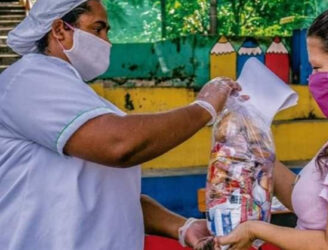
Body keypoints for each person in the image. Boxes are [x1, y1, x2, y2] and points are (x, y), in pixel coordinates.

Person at [0, 0, 243, 249]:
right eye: (97, 29)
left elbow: (108, 196)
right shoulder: (29, 80)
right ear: (60, 29)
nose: (106, 42)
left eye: (107, 32)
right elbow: (120, 145)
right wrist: (204, 108)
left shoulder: (81, 98)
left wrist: (182, 226)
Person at [215, 2, 328, 250]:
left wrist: (255, 229)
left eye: (317, 68)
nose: (311, 80)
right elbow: (313, 204)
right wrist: (257, 148)